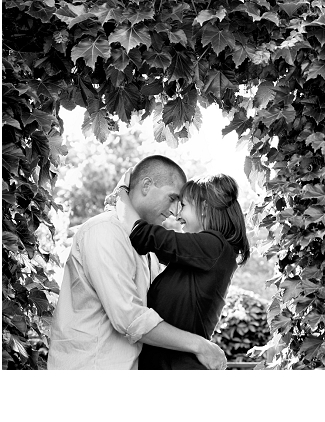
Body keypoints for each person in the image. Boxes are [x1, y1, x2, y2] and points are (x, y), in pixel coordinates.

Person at [47, 155, 227, 370]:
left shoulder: (147, 249)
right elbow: (129, 317)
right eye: (172, 198)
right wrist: (200, 346)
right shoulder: (104, 231)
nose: (175, 210)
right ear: (146, 185)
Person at [115, 173, 250, 369]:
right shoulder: (206, 254)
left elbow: (143, 235)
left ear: (204, 208)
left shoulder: (214, 246)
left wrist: (121, 194)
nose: (177, 215)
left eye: (184, 205)